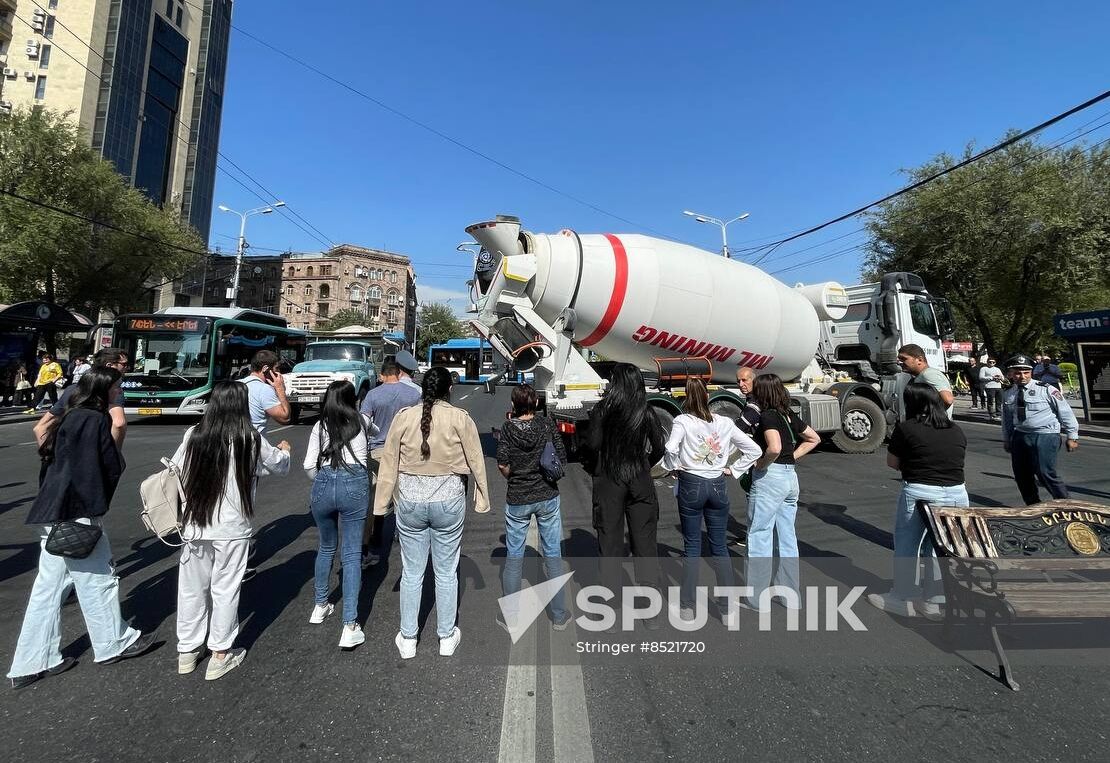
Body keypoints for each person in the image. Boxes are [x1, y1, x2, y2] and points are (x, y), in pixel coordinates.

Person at [8, 368, 156, 689]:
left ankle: (32, 659)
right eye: (117, 387)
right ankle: (112, 642)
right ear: (105, 389)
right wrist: (97, 503)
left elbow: (47, 448)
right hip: (77, 510)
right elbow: (100, 467)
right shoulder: (94, 420)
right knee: (99, 578)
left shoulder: (72, 415)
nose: (120, 391)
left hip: (51, 508)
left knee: (48, 588)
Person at [171, 381, 291, 680]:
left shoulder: (194, 434)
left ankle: (187, 651)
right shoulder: (248, 437)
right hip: (232, 526)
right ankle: (220, 653)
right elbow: (276, 466)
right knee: (225, 588)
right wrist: (284, 450)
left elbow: (175, 470)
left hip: (196, 522)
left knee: (191, 588)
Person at [374, 366, 490, 659]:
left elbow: (388, 463)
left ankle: (409, 637)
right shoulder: (459, 418)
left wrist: (381, 503)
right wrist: (482, 498)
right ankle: (446, 636)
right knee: (446, 572)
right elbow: (476, 459)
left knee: (412, 573)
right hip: (449, 500)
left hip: (410, 501)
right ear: (449, 389)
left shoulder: (405, 417)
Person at [663, 378, 761, 624]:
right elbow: (754, 449)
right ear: (707, 396)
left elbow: (671, 447)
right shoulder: (724, 422)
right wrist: (733, 468)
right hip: (717, 484)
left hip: (691, 484)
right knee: (719, 547)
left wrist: (674, 467)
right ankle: (727, 609)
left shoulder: (683, 421)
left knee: (692, 547)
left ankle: (687, 606)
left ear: (686, 396)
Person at [867, 383, 968, 618]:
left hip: (921, 491)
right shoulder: (955, 428)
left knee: (908, 544)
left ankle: (903, 595)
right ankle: (934, 600)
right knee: (939, 547)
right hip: (956, 493)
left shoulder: (907, 428)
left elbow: (893, 463)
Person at [581, 363, 666, 602]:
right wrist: (645, 465)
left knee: (610, 543)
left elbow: (592, 445)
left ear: (616, 383)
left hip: (609, 478)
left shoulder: (602, 410)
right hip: (639, 478)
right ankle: (650, 608)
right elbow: (659, 447)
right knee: (645, 542)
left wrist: (593, 467)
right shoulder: (645, 410)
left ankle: (612, 603)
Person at [303, 380, 376, 649]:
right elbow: (375, 430)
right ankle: (350, 624)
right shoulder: (361, 420)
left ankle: (320, 605)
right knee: (352, 554)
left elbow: (308, 465)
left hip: (323, 484)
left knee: (325, 548)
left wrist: (322, 479)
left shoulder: (319, 426)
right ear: (352, 399)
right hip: (353, 484)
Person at [495, 384, 570, 632]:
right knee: (553, 555)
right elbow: (561, 455)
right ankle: (559, 615)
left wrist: (514, 476)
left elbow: (502, 464)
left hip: (518, 497)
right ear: (536, 403)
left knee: (514, 557)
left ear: (514, 405)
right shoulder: (547, 424)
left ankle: (511, 618)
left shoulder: (507, 428)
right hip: (547, 494)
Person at [744, 374, 821, 610]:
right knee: (787, 536)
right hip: (790, 477)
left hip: (771, 477)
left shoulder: (767, 416)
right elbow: (813, 438)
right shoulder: (788, 415)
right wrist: (792, 457)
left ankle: (756, 597)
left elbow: (774, 447)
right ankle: (789, 594)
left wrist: (761, 464)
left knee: (759, 534)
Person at [359, 359, 422, 564]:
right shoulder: (414, 394)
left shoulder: (372, 395)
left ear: (384, 375)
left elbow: (363, 424)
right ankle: (407, 542)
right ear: (399, 373)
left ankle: (365, 546)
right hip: (404, 452)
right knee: (402, 500)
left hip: (377, 452)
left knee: (372, 501)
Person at [1002, 354, 1079, 505]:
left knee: (1045, 472)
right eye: (1018, 372)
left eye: (1026, 372)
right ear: (1011, 374)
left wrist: (1072, 436)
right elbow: (1007, 420)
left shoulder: (1046, 389)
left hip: (1045, 434)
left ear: (1031, 372)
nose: (1022, 376)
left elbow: (1065, 412)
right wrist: (1007, 439)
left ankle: (1066, 505)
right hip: (1020, 435)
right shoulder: (1009, 393)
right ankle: (1033, 506)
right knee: (1021, 474)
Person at [34, 348, 130, 451]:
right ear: (109, 365)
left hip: (63, 460)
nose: (127, 368)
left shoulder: (72, 389)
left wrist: (48, 457)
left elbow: (40, 427)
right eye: (124, 364)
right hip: (91, 462)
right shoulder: (112, 391)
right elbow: (118, 424)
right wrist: (114, 457)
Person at [239, 349, 291, 435]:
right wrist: (280, 390)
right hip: (254, 443)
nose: (279, 372)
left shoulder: (237, 384)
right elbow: (285, 418)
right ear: (265, 369)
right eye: (277, 368)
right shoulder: (264, 389)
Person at [897, 344, 953, 418]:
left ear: (920, 360)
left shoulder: (928, 374)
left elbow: (948, 399)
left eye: (904, 359)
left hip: (933, 427)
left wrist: (928, 416)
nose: (900, 363)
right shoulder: (921, 375)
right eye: (899, 360)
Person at [978, 357, 1005, 422]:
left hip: (998, 386)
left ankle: (999, 414)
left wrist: (1000, 378)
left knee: (999, 401)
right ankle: (991, 414)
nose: (991, 363)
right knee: (990, 401)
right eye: (990, 362)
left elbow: (1003, 377)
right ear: (987, 362)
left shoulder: (997, 369)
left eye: (993, 362)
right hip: (989, 387)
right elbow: (981, 377)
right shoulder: (984, 368)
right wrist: (991, 378)